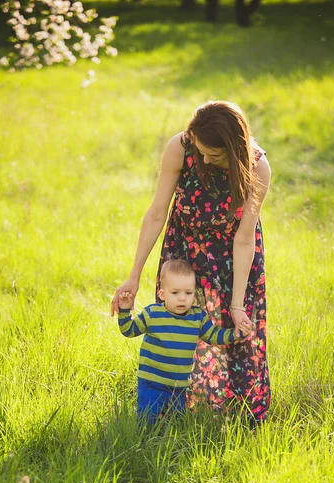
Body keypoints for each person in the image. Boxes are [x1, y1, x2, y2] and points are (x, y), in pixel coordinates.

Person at [112, 100, 271, 425]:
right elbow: (157, 212)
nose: (205, 159)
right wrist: (134, 276)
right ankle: (169, 409)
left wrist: (237, 304)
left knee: (234, 330)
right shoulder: (181, 148)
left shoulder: (257, 167)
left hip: (232, 255)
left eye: (215, 155)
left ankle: (240, 417)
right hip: (183, 249)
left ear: (234, 148)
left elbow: (244, 238)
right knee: (175, 325)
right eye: (200, 151)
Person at [117, 259, 251, 424]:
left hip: (178, 387)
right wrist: (124, 310)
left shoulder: (197, 317)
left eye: (188, 293)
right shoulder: (152, 314)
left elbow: (214, 336)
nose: (182, 299)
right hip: (151, 383)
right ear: (162, 294)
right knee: (147, 422)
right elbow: (128, 330)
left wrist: (236, 333)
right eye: (175, 293)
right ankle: (143, 445)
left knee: (177, 423)